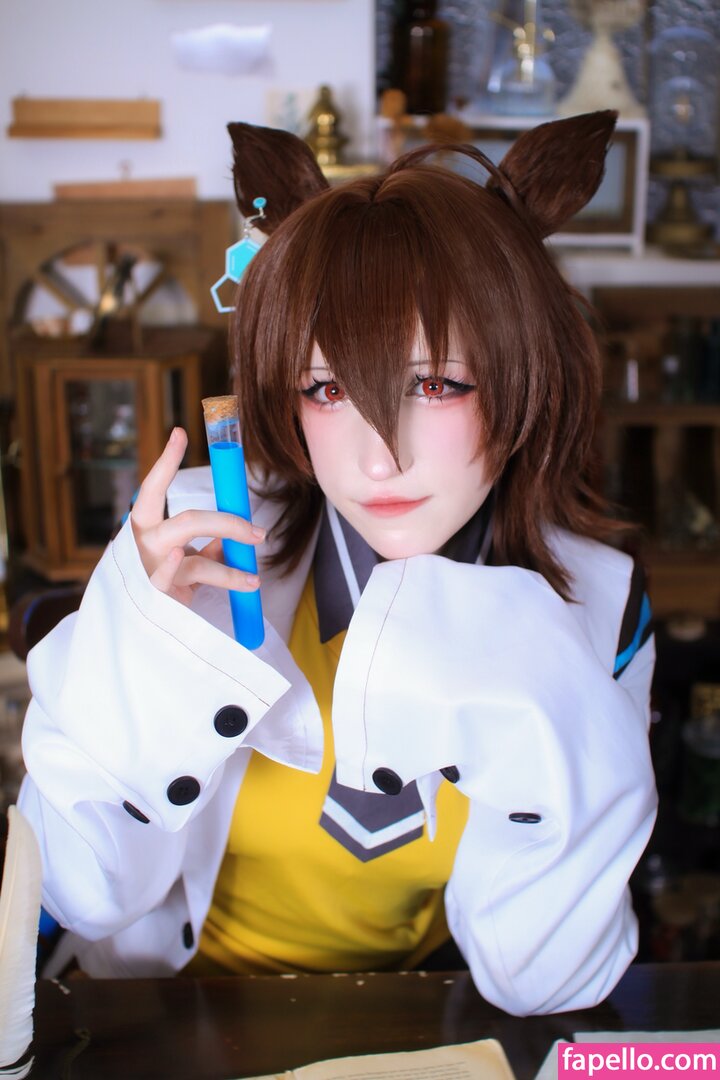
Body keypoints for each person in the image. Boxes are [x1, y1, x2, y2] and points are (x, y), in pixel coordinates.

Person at [18, 111, 657, 1017]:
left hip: (411, 1023)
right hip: (169, 1015)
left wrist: (546, 691)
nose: (376, 459)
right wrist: (141, 661)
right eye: (326, 388)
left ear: (526, 376)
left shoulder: (600, 608)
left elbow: (546, 979)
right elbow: (74, 892)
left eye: (435, 383)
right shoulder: (192, 550)